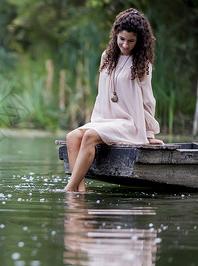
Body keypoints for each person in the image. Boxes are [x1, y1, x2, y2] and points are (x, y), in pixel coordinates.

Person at [64, 8, 164, 192]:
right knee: (72, 137)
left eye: (131, 41)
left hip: (129, 123)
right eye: (121, 39)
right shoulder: (107, 57)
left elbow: (148, 100)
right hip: (106, 120)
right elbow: (102, 94)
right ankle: (81, 191)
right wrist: (96, 122)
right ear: (115, 36)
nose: (125, 45)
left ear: (139, 41)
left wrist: (149, 133)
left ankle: (69, 190)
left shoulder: (142, 64)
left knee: (89, 137)